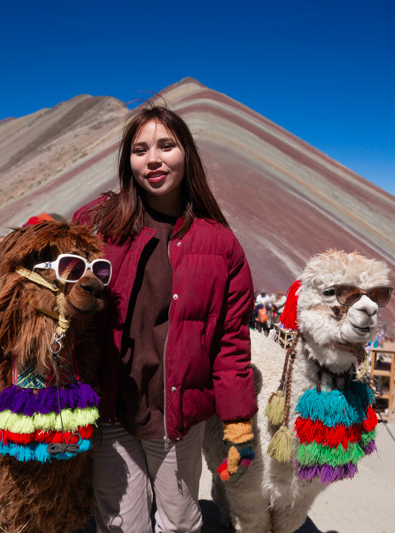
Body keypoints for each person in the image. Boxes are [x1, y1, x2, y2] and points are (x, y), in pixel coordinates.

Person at [73, 105, 257, 532]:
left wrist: (238, 423)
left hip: (175, 416)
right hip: (110, 408)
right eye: (139, 150)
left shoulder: (221, 245)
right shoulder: (97, 224)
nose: (152, 159)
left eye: (165, 146)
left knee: (178, 522)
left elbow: (231, 342)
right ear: (128, 161)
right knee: (118, 523)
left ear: (186, 153)